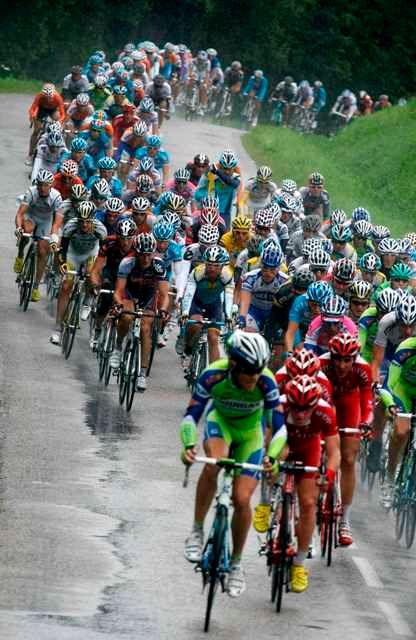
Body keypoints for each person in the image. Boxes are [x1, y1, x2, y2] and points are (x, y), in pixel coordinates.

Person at [180, 330, 287, 597]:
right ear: (234, 364)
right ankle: (196, 530)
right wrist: (189, 446)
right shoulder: (213, 375)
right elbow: (191, 416)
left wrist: (272, 457)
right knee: (213, 464)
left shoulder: (266, 381)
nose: (255, 377)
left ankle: (237, 563)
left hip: (251, 434)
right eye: (249, 371)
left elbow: (281, 428)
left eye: (259, 370)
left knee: (241, 499)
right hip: (222, 425)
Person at [279, 375, 340, 592]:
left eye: (307, 408)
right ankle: (271, 506)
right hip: (283, 442)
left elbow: (334, 452)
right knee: (275, 461)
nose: (301, 413)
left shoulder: (325, 412)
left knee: (307, 503)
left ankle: (298, 564)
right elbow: (266, 438)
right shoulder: (279, 405)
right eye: (297, 407)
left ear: (316, 403)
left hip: (309, 449)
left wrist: (328, 475)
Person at [320, 333, 373, 545]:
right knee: (321, 446)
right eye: (338, 359)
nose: (342, 365)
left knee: (349, 460)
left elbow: (368, 400)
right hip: (327, 401)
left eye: (347, 360)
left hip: (350, 404)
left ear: (354, 358)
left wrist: (366, 422)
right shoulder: (321, 365)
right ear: (331, 356)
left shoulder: (363, 368)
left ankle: (345, 520)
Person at [110, 233, 170, 391]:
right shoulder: (127, 263)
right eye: (142, 255)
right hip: (130, 294)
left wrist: (163, 309)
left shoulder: (158, 265)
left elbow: (164, 294)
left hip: (148, 296)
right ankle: (117, 347)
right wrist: (119, 304)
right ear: (136, 253)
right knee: (127, 316)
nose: (146, 259)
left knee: (145, 328)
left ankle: (142, 373)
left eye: (149, 255)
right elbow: (118, 291)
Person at [50, 201, 107, 345]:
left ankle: (87, 301)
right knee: (65, 286)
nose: (84, 225)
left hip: (90, 254)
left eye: (88, 222)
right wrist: (62, 263)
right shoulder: (71, 225)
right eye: (82, 221)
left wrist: (99, 272)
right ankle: (57, 328)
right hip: (73, 253)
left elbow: (105, 254)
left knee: (90, 273)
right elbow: (62, 250)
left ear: (93, 220)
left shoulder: (101, 229)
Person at [14, 169, 64, 301]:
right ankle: (20, 255)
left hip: (46, 221)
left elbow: (57, 223)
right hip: (31, 216)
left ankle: (35, 287)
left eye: (46, 185)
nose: (42, 188)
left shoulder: (57, 197)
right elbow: (20, 214)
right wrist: (19, 228)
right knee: (27, 231)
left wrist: (53, 237)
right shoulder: (31, 192)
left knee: (43, 252)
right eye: (40, 184)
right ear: (37, 184)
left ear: (51, 185)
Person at [379, 336, 416, 507]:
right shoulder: (405, 348)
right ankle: (389, 478)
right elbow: (389, 385)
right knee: (401, 432)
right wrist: (390, 404)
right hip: (404, 389)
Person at [89, 217, 137, 349]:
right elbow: (96, 269)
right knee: (106, 297)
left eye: (129, 238)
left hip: (128, 277)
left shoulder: (138, 247)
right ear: (117, 236)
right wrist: (94, 285)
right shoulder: (109, 242)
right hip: (110, 273)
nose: (125, 242)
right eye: (122, 238)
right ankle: (98, 328)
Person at [180, 245, 234, 365]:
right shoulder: (198, 272)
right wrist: (184, 312)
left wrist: (229, 316)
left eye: (216, 266)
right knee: (196, 323)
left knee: (213, 338)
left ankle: (214, 374)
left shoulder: (228, 275)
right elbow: (189, 293)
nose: (212, 269)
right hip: (196, 301)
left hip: (214, 304)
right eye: (209, 264)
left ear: (222, 266)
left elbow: (229, 296)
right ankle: (188, 347)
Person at [238, 243, 288, 332]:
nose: (268, 273)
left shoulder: (285, 281)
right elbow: (245, 300)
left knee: (278, 344)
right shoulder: (250, 277)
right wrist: (242, 317)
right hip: (253, 311)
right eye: (265, 268)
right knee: (250, 335)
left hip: (273, 313)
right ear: (261, 264)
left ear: (279, 268)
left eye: (272, 270)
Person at [194, 150, 241, 228]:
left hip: (226, 212)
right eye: (225, 168)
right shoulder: (213, 174)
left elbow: (233, 184)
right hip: (210, 209)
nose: (227, 171)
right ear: (220, 166)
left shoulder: (236, 178)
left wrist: (218, 172)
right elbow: (198, 192)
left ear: (234, 168)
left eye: (230, 169)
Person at [359, 288, 402, 364]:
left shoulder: (400, 320)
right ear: (377, 309)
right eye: (383, 313)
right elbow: (360, 342)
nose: (385, 318)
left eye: (390, 315)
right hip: (368, 351)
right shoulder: (368, 315)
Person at [28, 84, 66, 161]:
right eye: (46, 97)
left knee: (58, 121)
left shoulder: (58, 97)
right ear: (43, 94)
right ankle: (30, 153)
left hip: (53, 110)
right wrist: (32, 116)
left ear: (53, 94)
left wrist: (59, 122)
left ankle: (57, 143)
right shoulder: (39, 96)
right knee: (36, 130)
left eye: (50, 97)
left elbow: (63, 114)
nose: (48, 99)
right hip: (42, 109)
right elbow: (32, 109)